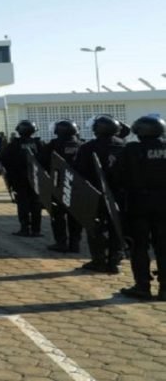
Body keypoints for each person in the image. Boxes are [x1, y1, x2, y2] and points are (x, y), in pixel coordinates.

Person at [115, 115, 166, 301]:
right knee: (164, 246)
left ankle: (142, 286)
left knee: (139, 247)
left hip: (139, 206)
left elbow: (117, 176)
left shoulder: (132, 149)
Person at [74, 115, 126, 274]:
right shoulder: (124, 146)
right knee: (117, 227)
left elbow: (79, 172)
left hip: (95, 194)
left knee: (95, 228)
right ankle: (115, 261)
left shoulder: (87, 147)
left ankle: (99, 261)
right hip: (119, 194)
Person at [39, 120, 84, 253]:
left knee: (58, 216)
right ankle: (75, 243)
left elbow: (41, 162)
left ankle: (61, 242)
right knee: (76, 217)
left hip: (58, 185)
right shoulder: (82, 144)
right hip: (78, 187)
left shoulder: (54, 145)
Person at [0, 120, 45, 237]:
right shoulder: (39, 143)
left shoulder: (14, 144)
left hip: (19, 180)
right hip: (36, 179)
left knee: (23, 204)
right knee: (36, 204)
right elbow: (46, 161)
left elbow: (4, 160)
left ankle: (25, 228)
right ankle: (36, 230)